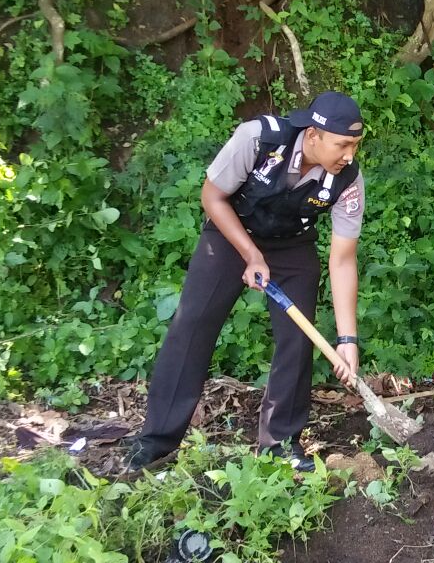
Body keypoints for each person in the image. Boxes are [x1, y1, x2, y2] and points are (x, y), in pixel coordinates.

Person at [125, 92, 367, 469]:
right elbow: (212, 196)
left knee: (297, 339)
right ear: (314, 135)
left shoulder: (348, 180)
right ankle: (156, 440)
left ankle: (281, 443)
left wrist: (346, 339)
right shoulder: (258, 139)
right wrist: (251, 254)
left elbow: (342, 259)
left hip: (292, 246)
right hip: (230, 234)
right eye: (343, 144)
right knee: (193, 325)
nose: (350, 155)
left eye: (355, 145)